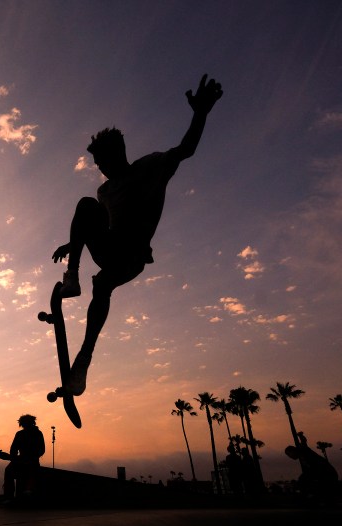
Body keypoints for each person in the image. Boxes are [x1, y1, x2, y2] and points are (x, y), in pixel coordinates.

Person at [52, 73, 224, 396]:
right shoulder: (104, 191)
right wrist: (72, 243)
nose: (100, 168)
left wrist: (200, 113)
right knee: (99, 276)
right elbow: (94, 220)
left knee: (102, 276)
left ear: (119, 153)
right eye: (97, 163)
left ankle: (84, 356)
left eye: (103, 160)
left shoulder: (151, 167)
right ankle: (82, 361)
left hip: (132, 254)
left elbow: (185, 149)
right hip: (112, 250)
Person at [3, 414, 45, 501]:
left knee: (12, 471)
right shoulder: (21, 434)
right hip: (22, 460)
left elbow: (41, 450)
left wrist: (30, 457)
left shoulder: (36, 434)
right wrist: (15, 459)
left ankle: (20, 493)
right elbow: (13, 449)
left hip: (31, 461)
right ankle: (9, 496)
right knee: (8, 470)